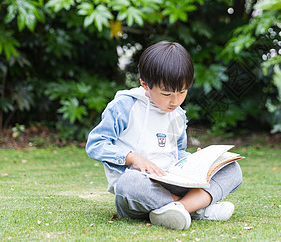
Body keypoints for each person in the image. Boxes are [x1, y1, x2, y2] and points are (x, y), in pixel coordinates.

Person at [85, 41, 243, 230]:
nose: (175, 100)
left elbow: (177, 153)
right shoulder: (124, 106)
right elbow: (96, 144)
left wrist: (198, 161)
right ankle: (196, 209)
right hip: (139, 191)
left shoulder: (178, 115)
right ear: (145, 84)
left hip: (172, 182)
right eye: (166, 93)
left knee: (233, 169)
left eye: (182, 92)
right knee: (128, 183)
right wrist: (133, 158)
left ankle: (179, 209)